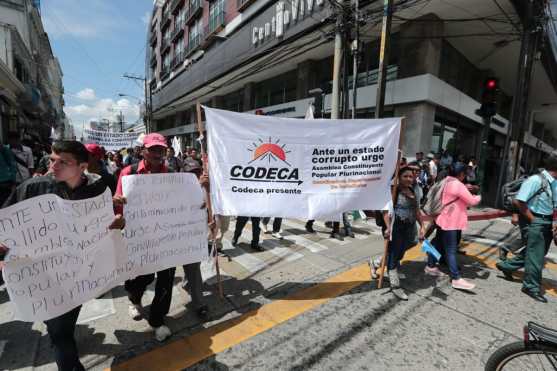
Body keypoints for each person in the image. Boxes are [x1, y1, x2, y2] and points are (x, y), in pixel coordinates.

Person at [0, 140, 125, 371]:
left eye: (63, 162)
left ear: (82, 166)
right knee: (59, 331)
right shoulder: (32, 188)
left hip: (79, 277)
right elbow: (5, 226)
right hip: (43, 277)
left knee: (65, 326)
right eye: (52, 160)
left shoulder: (98, 189)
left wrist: (118, 223)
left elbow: (110, 223)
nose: (53, 166)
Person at [114, 133, 176, 342]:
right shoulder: (128, 173)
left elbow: (184, 203)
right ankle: (134, 299)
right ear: (143, 151)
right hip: (139, 238)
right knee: (141, 277)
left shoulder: (174, 175)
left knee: (166, 280)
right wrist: (117, 203)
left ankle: (157, 321)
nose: (158, 153)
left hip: (167, 237)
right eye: (153, 149)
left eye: (162, 149)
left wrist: (199, 195)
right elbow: (118, 207)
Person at [496, 155, 557, 303]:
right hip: (534, 220)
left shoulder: (554, 183)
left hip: (547, 220)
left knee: (536, 252)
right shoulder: (535, 180)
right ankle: (530, 287)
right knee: (536, 256)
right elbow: (519, 201)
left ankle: (506, 266)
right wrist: (533, 219)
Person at [424, 163, 480, 291]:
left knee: (437, 243)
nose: (465, 176)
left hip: (442, 218)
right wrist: (478, 196)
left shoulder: (446, 181)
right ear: (461, 174)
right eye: (465, 174)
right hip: (451, 222)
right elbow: (472, 201)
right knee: (451, 250)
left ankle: (430, 266)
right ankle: (456, 278)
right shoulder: (457, 184)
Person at [381, 166, 425, 300]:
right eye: (405, 176)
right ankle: (395, 286)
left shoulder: (413, 190)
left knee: (409, 245)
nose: (408, 179)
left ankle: (377, 263)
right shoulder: (393, 190)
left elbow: (417, 210)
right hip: (397, 227)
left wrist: (422, 226)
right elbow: (385, 211)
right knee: (394, 254)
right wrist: (388, 227)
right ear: (399, 177)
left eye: (411, 176)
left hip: (410, 227)